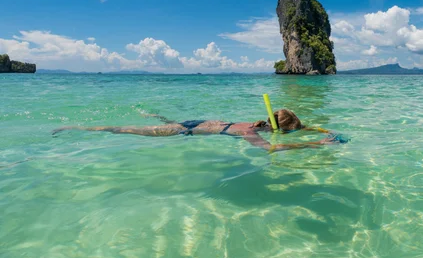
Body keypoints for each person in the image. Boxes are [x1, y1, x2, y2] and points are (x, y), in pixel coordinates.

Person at [53, 109, 347, 152]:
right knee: (125, 130)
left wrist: (311, 128)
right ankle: (76, 127)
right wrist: (315, 144)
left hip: (198, 122)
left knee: (160, 121)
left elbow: (288, 126)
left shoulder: (253, 123)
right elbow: (270, 149)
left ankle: (154, 113)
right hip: (187, 132)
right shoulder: (250, 134)